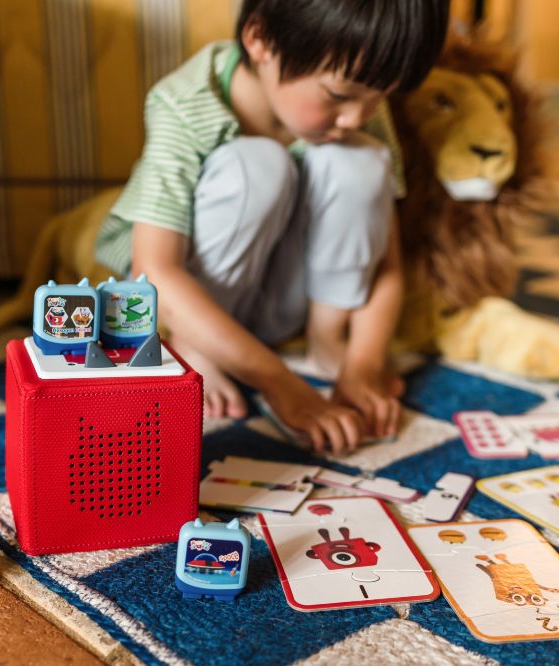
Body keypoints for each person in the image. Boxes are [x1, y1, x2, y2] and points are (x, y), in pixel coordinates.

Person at [96, 0, 449, 454]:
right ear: (260, 39)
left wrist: (364, 362)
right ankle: (193, 343)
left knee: (360, 161)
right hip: (186, 300)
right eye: (340, 96)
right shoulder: (186, 102)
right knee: (258, 164)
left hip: (285, 302)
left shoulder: (356, 106)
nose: (358, 117)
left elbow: (386, 262)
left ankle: (327, 342)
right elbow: (154, 274)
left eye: (381, 96)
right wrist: (281, 385)